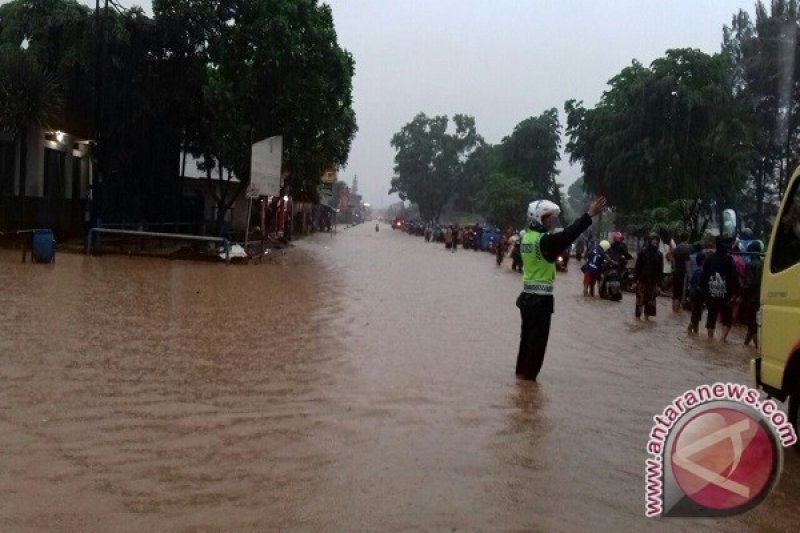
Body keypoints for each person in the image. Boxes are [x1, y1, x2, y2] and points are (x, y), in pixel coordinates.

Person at [516, 196, 607, 381]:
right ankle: (527, 389)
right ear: (538, 218)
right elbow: (568, 235)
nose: (552, 220)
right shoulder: (543, 241)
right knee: (537, 347)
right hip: (540, 301)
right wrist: (589, 215)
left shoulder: (526, 237)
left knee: (525, 342)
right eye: (548, 217)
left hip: (526, 298)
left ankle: (520, 380)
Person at [702, 235, 740, 342]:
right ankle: (722, 339)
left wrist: (704, 292)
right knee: (727, 318)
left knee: (711, 315)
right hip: (725, 294)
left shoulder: (709, 258)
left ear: (716, 245)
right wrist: (737, 292)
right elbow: (733, 277)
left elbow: (704, 276)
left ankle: (710, 339)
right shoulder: (728, 259)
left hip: (711, 292)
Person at [634, 233, 664, 320]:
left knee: (650, 303)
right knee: (639, 302)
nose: (655, 242)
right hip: (642, 281)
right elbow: (637, 267)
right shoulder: (643, 252)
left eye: (656, 241)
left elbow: (660, 270)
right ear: (649, 241)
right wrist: (635, 281)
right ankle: (637, 319)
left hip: (653, 282)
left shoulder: (659, 255)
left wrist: (659, 284)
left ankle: (646, 319)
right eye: (653, 240)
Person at [742, 241, 764, 347]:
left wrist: (741, 294)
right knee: (753, 325)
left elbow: (749, 284)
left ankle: (757, 349)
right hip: (761, 299)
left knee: (752, 325)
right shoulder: (764, 265)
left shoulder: (750, 265)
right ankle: (746, 345)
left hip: (751, 300)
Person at [670, 231, 692, 312]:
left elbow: (670, 257)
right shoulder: (687, 249)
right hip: (682, 273)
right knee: (680, 292)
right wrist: (690, 275)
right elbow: (687, 264)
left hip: (675, 271)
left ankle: (673, 308)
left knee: (675, 291)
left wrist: (674, 266)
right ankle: (676, 310)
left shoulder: (677, 247)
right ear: (687, 238)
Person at [687, 252, 706, 334]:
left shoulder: (696, 271)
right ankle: (690, 329)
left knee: (696, 314)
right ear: (702, 261)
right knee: (696, 315)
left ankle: (695, 332)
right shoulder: (702, 271)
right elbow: (699, 286)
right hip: (698, 296)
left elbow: (691, 282)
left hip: (693, 295)